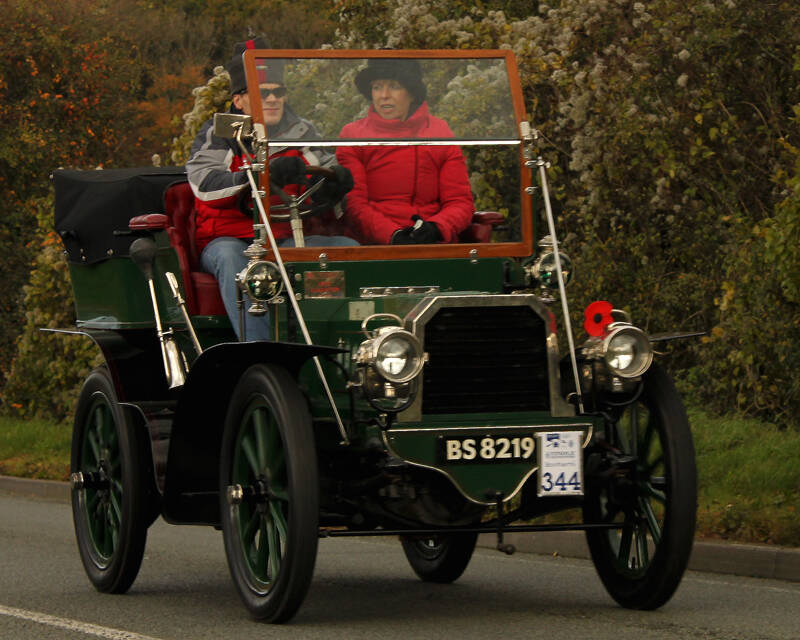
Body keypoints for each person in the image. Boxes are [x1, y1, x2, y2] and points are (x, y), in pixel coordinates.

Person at [187, 37, 357, 340]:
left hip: (288, 239)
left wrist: (334, 186)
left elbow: (325, 169)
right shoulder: (219, 133)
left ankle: (353, 349)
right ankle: (261, 356)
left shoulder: (302, 132)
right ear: (239, 100)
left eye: (279, 92)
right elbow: (205, 184)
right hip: (231, 239)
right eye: (262, 93)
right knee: (235, 262)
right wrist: (259, 176)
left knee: (348, 250)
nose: (273, 99)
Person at [336, 59, 474, 245]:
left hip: (432, 243)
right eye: (377, 87)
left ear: (412, 93)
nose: (383, 95)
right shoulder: (353, 135)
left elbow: (460, 201)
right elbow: (353, 205)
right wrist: (392, 235)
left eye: (394, 86)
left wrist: (437, 227)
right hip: (374, 246)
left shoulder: (441, 132)